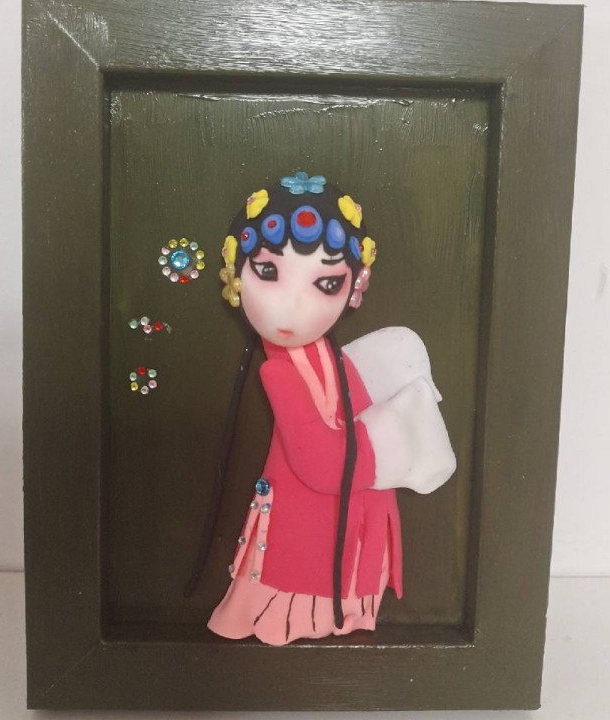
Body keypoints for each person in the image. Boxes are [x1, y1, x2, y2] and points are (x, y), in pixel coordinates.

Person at [189, 172, 456, 645]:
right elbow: (321, 461)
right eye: (267, 272)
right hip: (310, 527)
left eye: (326, 282)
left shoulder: (325, 361)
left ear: (355, 286)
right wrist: (400, 436)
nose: (292, 309)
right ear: (236, 274)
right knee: (299, 569)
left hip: (336, 529)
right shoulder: (280, 372)